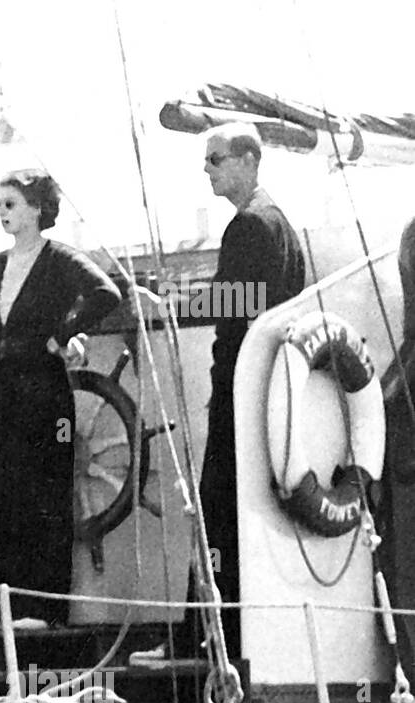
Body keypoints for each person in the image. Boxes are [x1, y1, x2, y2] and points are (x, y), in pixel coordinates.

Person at [0, 170, 121, 628]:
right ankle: (5, 607)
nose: (2, 213)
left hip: (45, 395)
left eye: (11, 204)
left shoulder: (59, 260)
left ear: (37, 209)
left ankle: (45, 609)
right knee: (2, 498)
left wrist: (62, 334)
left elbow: (106, 293)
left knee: (45, 498)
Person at [183, 122, 305, 660]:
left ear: (248, 160)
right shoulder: (280, 225)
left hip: (239, 385)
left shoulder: (250, 226)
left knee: (218, 505)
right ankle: (235, 641)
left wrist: (167, 303)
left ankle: (206, 641)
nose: (206, 169)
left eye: (214, 159)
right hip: (268, 387)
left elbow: (235, 302)